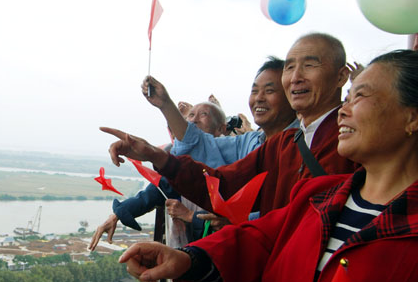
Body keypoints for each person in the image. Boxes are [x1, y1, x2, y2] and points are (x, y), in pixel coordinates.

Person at [117, 49, 418, 282]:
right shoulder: (323, 195)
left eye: (360, 96)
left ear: (416, 116)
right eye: (347, 98)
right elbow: (258, 239)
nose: (344, 111)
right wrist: (187, 259)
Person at [102, 33, 358, 218]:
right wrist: (156, 154)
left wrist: (199, 224)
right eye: (290, 67)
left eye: (310, 65)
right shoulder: (281, 145)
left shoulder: (352, 140)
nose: (296, 77)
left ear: (341, 77)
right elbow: (221, 184)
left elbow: (285, 224)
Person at [90, 57, 297, 250]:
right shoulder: (251, 142)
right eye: (255, 91)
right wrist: (165, 107)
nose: (259, 98)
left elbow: (280, 217)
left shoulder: (301, 148)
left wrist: (196, 217)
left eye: (269, 91)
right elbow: (196, 151)